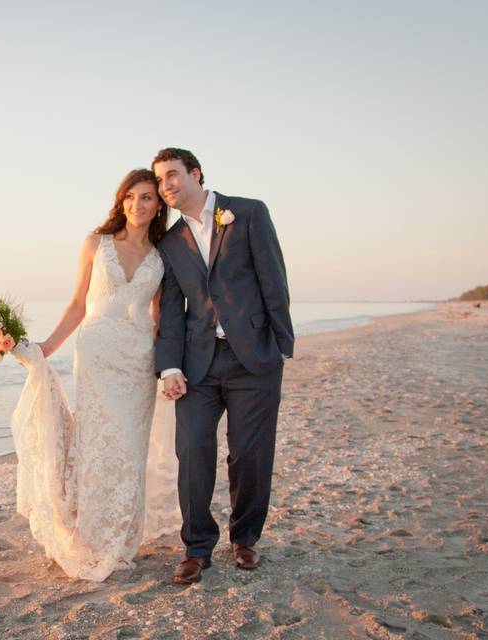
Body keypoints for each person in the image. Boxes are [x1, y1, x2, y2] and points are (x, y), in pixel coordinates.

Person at [10, 168, 179, 581]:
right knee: (97, 446)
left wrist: (170, 363)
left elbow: (161, 317)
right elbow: (77, 305)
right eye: (130, 196)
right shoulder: (95, 244)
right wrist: (46, 348)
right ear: (121, 200)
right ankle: (90, 536)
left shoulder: (162, 256)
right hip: (97, 356)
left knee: (130, 449)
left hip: (138, 359)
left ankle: (122, 539)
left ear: (158, 206)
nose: (137, 205)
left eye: (146, 198)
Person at [152, 147, 294, 583]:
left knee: (250, 455)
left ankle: (245, 539)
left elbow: (274, 277)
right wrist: (169, 366)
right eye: (160, 180)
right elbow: (172, 310)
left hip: (253, 358)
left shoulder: (247, 213)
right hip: (198, 365)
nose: (166, 186)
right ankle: (196, 547)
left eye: (172, 175)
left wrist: (280, 346)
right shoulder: (170, 242)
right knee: (192, 451)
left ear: (196, 174)